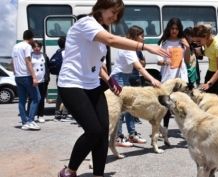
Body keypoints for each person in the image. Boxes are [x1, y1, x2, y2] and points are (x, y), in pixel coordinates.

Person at [56, 0, 169, 176]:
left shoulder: (100, 29)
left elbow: (97, 62)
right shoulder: (86, 23)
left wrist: (109, 80)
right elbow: (111, 40)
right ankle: (69, 170)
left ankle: (99, 174)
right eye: (113, 12)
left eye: (118, 15)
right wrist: (145, 47)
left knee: (103, 131)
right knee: (93, 131)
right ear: (101, 7)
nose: (115, 17)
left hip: (93, 85)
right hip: (72, 83)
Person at [111, 25, 161, 147]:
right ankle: (118, 137)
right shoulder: (128, 48)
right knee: (120, 109)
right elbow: (138, 66)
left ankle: (132, 134)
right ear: (134, 36)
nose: (143, 39)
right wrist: (152, 79)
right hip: (119, 77)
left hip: (125, 77)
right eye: (141, 36)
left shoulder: (131, 47)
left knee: (130, 108)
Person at [157, 17, 190, 132]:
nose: (174, 31)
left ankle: (185, 129)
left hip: (181, 78)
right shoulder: (164, 42)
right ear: (169, 29)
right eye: (172, 28)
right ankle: (165, 129)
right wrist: (166, 61)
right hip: (168, 78)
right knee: (166, 105)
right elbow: (158, 60)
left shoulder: (183, 41)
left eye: (176, 28)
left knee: (182, 104)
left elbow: (187, 60)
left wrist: (188, 47)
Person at [192, 24, 218, 107]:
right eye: (195, 41)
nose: (197, 43)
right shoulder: (205, 42)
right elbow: (209, 53)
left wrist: (209, 83)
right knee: (207, 103)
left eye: (198, 41)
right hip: (211, 71)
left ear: (206, 36)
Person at [11, 30, 41, 131]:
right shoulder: (27, 46)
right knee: (37, 97)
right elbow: (28, 61)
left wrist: (15, 72)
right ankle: (30, 121)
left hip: (18, 76)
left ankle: (24, 122)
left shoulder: (15, 46)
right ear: (31, 38)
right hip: (26, 76)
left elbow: (12, 61)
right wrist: (34, 77)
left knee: (22, 100)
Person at [27, 41, 50, 123]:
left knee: (41, 98)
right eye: (35, 47)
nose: (36, 48)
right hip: (33, 80)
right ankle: (30, 116)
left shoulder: (44, 55)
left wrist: (47, 77)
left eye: (38, 46)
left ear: (41, 47)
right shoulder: (30, 56)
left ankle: (40, 115)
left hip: (43, 81)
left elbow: (48, 67)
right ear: (32, 48)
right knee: (32, 98)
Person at [50, 37, 70, 121]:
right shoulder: (67, 52)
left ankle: (57, 113)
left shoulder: (58, 52)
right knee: (68, 96)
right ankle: (65, 114)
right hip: (68, 76)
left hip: (59, 76)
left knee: (60, 95)